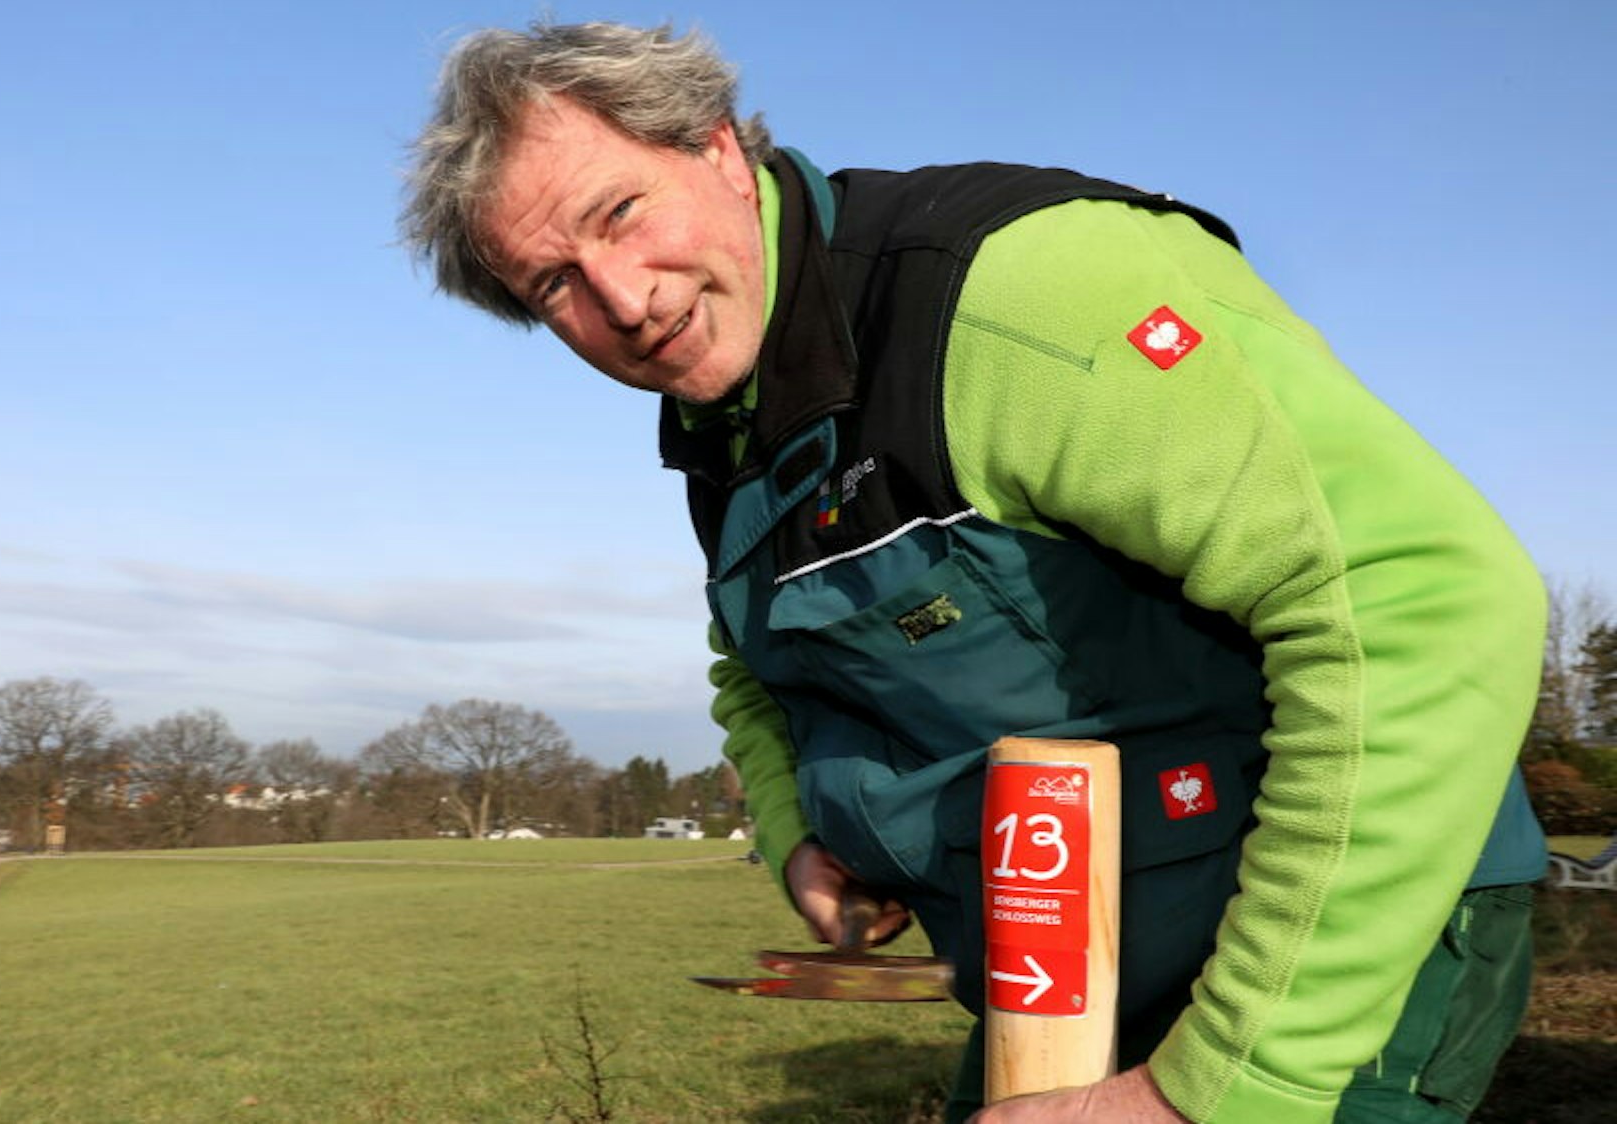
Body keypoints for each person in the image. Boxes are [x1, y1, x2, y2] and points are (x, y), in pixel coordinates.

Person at [400, 21, 1548, 1123]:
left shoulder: (1014, 297)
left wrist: (1217, 1084)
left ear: (710, 141)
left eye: (620, 212)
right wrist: (803, 830)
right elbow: (752, 663)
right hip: (1067, 962)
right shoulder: (726, 421)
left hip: (1324, 951)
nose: (625, 301)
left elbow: (1419, 603)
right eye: (553, 284)